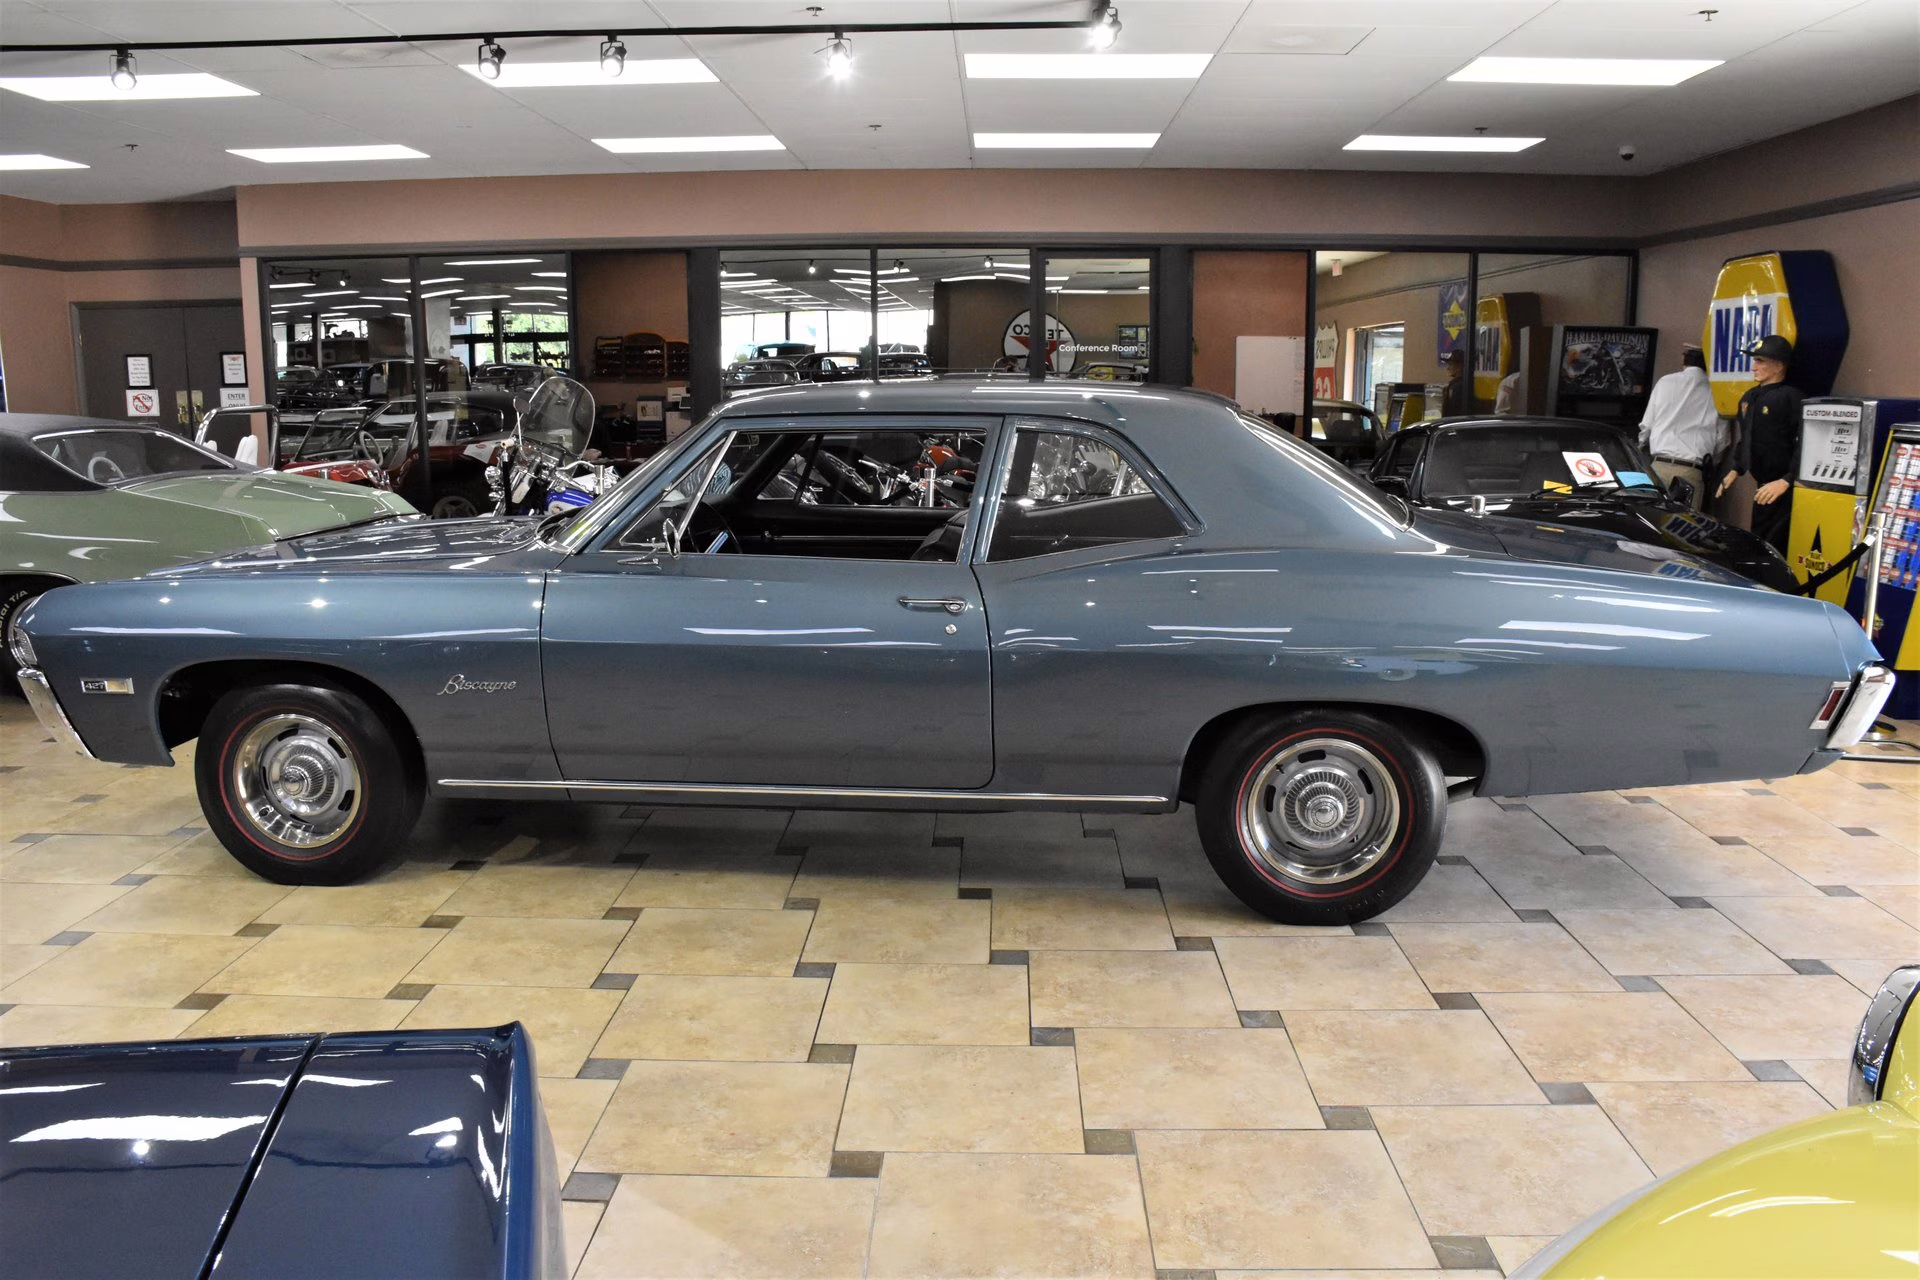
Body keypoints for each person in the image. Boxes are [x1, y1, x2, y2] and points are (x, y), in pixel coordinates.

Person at [1717, 333, 1802, 553]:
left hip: (1784, 490)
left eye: (1760, 361)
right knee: (1760, 542)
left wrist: (1787, 479)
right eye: (1755, 360)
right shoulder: (1749, 398)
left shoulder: (1790, 398)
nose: (1754, 367)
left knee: (1777, 545)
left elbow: (1804, 444)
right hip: (1762, 485)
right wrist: (1736, 469)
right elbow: (1747, 439)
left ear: (1779, 366)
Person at [1637, 346, 1726, 509]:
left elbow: (1646, 426)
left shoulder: (1665, 382)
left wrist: (1640, 448)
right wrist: (1711, 465)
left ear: (1683, 362)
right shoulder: (1717, 390)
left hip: (1658, 467)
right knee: (1685, 525)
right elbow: (1723, 439)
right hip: (1691, 471)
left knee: (1652, 522)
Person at [1440, 350, 1467, 416]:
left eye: (1451, 364)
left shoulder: (1455, 386)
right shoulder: (1467, 383)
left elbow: (1451, 410)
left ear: (1460, 366)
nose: (1448, 368)